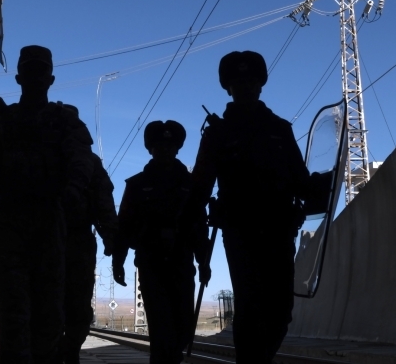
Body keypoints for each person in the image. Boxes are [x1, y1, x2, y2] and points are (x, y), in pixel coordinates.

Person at [0, 45, 94, 364]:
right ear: (19, 77)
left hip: (48, 224)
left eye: (40, 72)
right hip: (10, 224)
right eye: (29, 72)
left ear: (50, 79)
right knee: (13, 317)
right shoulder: (0, 123)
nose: (35, 79)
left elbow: (82, 162)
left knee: (48, 320)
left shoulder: (65, 122)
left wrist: (73, 190)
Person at [188, 51, 312, 364]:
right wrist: (195, 240)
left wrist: (323, 185)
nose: (245, 87)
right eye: (238, 82)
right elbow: (199, 189)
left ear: (260, 84)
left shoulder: (280, 129)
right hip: (240, 231)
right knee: (250, 307)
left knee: (281, 311)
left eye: (251, 81)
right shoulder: (218, 133)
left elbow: (301, 180)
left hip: (279, 229)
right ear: (228, 87)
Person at [113, 121, 210, 364]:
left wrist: (204, 262)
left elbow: (200, 226)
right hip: (151, 262)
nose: (165, 150)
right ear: (150, 149)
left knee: (184, 326)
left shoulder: (191, 185)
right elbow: (124, 225)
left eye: (170, 146)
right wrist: (118, 261)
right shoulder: (136, 185)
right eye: (159, 146)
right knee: (160, 327)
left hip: (182, 260)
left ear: (177, 149)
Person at [61, 151, 118, 364]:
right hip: (44, 239)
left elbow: (103, 200)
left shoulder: (84, 158)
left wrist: (111, 236)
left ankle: (68, 351)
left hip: (74, 240)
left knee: (77, 309)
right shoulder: (85, 157)